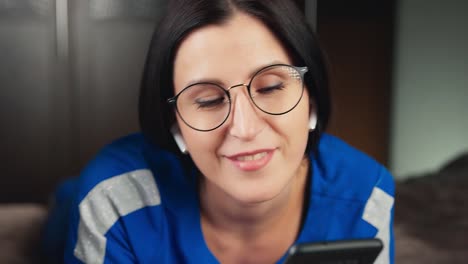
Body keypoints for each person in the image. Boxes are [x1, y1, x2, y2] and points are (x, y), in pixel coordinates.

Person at [62, 0, 395, 263]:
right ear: (174, 123)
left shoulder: (366, 194)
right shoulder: (115, 199)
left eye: (271, 87)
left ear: (312, 100)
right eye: (208, 101)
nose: (245, 129)